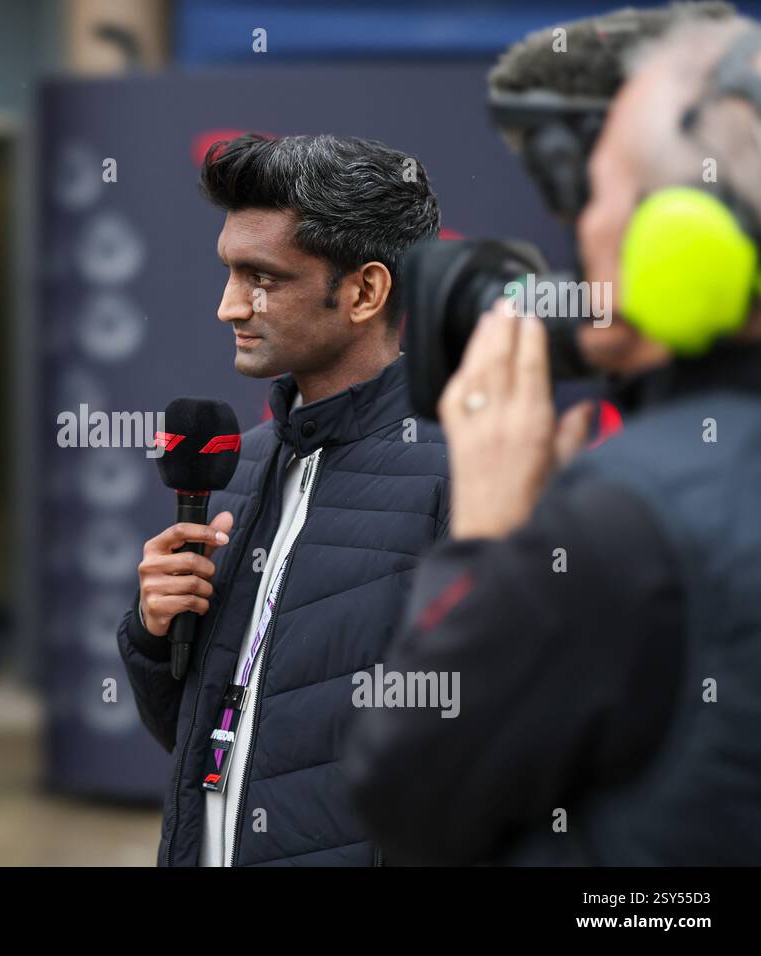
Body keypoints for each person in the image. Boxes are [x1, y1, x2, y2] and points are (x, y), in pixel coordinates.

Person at [345, 14, 761, 865]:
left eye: (600, 194)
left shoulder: (623, 528)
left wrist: (492, 535)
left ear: (682, 238)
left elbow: (405, 786)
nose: (584, 235)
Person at [116, 133, 448, 866]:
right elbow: (202, 735)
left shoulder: (461, 478)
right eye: (229, 272)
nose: (229, 306)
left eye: (260, 277)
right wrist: (152, 634)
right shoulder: (238, 465)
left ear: (365, 291)